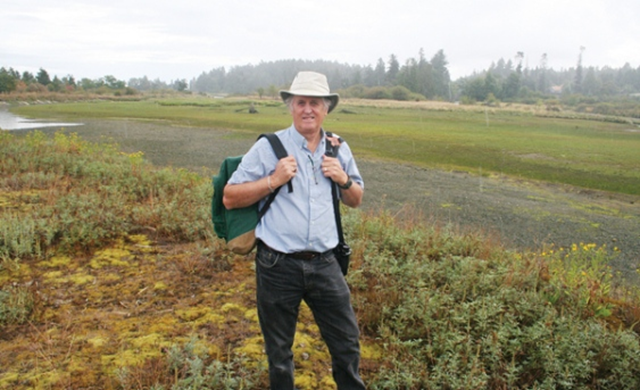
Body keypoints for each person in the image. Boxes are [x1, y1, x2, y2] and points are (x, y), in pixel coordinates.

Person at [223, 71, 366, 389]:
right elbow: (230, 197)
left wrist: (343, 179)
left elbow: (356, 200)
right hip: (277, 265)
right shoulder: (268, 147)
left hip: (326, 264)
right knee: (279, 354)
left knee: (346, 345)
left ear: (326, 108)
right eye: (301, 102)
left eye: (315, 103)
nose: (308, 109)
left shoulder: (338, 148)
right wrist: (273, 180)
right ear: (290, 106)